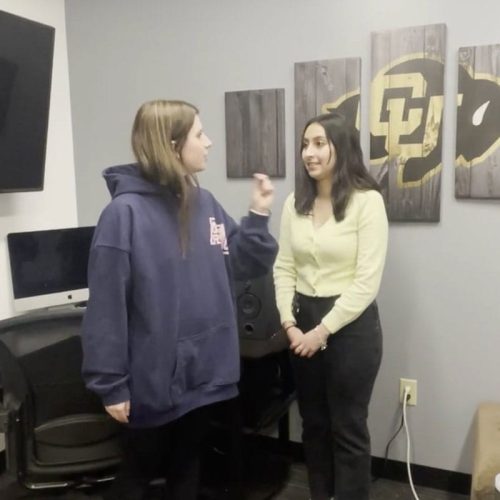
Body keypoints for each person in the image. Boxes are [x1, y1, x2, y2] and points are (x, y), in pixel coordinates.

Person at [81, 99, 278, 500]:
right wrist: (111, 385)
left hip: (204, 375)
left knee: (189, 464)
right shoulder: (124, 214)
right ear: (173, 146)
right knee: (139, 471)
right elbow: (106, 309)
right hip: (153, 381)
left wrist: (257, 215)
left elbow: (242, 262)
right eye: (199, 135)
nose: (209, 143)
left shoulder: (202, 202)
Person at [273, 112, 388, 500]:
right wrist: (290, 325)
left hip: (351, 329)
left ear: (342, 148)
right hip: (302, 323)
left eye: (319, 143)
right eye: (306, 144)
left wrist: (321, 332)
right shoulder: (295, 203)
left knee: (348, 428)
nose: (309, 152)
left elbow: (365, 283)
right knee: (314, 426)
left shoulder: (367, 203)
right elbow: (284, 267)